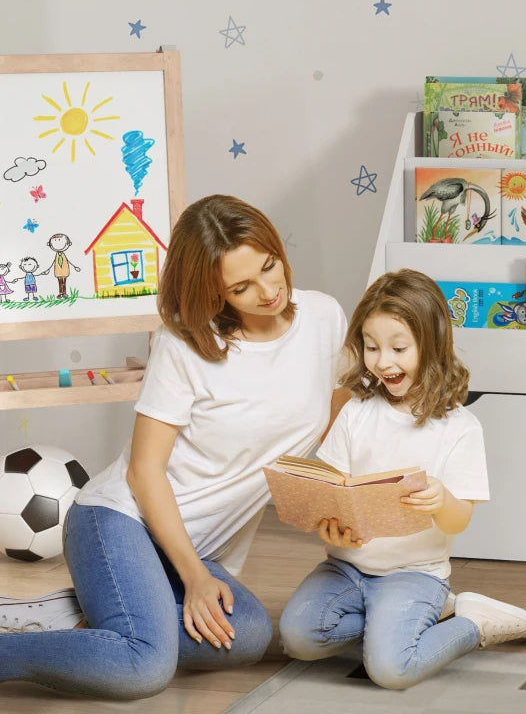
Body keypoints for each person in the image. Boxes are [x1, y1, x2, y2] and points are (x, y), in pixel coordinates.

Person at [0, 195, 348, 700]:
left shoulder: (324, 316)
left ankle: (68, 615)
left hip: (195, 548)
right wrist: (193, 577)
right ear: (214, 291)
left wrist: (336, 503)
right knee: (144, 666)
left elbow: (334, 423)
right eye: (240, 287)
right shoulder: (185, 345)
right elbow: (144, 473)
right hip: (120, 519)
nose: (269, 291)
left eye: (270, 266)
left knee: (247, 635)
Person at [279, 268, 526, 690]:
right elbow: (332, 490)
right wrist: (329, 526)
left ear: (432, 344)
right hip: (346, 569)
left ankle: (473, 621)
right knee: (297, 639)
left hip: (414, 572)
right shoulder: (356, 411)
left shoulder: (459, 428)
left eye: (399, 347)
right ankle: (398, 620)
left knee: (391, 670)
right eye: (371, 347)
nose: (383, 361)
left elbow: (459, 521)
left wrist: (441, 501)